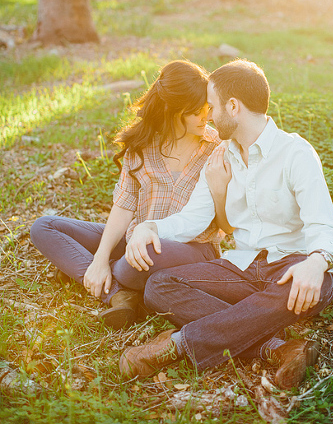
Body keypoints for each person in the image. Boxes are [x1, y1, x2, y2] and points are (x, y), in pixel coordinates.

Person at [117, 59, 333, 390]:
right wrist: (150, 227)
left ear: (233, 107)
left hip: (290, 267)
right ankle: (277, 347)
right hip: (242, 268)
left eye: (212, 106)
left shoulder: (296, 153)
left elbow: (324, 225)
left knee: (321, 284)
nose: (207, 114)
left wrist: (317, 261)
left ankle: (178, 344)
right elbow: (193, 217)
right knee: (159, 287)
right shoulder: (221, 156)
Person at [30, 60, 226, 329]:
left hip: (192, 249)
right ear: (172, 109)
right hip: (136, 241)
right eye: (196, 111)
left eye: (207, 108)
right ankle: (119, 294)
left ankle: (102, 274)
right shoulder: (142, 146)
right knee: (45, 227)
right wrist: (99, 260)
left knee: (137, 260)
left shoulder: (218, 148)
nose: (206, 117)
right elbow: (124, 208)